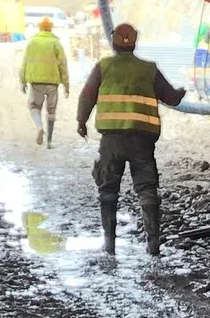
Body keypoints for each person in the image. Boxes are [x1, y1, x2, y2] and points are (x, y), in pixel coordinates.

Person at [75, 21, 185, 255]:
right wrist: (181, 92)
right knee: (147, 189)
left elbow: (87, 96)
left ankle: (109, 244)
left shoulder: (103, 67)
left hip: (111, 139)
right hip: (142, 141)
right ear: (135, 42)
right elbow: (172, 98)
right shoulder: (149, 69)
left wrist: (81, 121)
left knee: (108, 190)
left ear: (113, 42)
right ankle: (153, 245)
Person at [18, 15, 69, 146]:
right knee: (51, 111)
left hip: (36, 82)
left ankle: (39, 127)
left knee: (34, 106)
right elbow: (63, 65)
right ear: (50, 29)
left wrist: (22, 81)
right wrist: (66, 85)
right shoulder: (55, 43)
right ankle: (49, 141)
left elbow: (24, 63)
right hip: (53, 83)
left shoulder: (32, 42)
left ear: (39, 28)